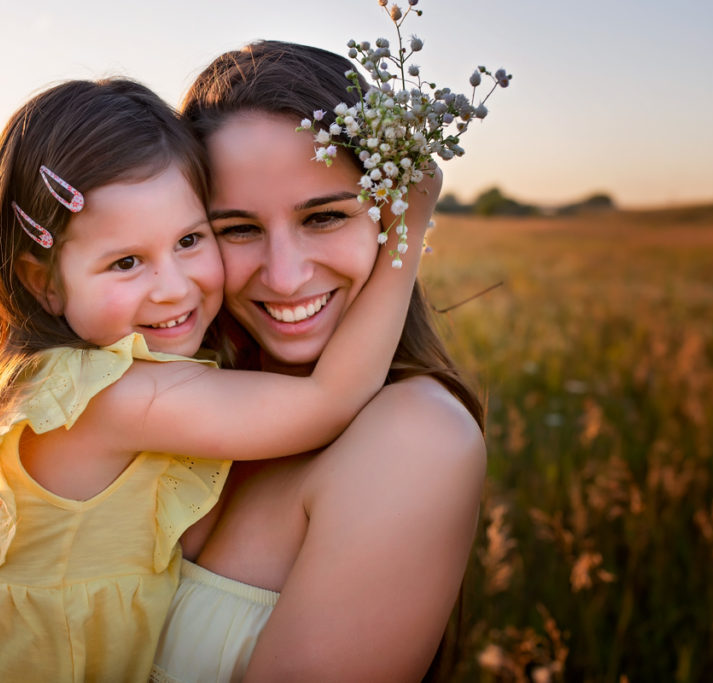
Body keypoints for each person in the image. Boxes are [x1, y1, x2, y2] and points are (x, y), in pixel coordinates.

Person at [0, 76, 435, 683]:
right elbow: (329, 399)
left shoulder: (50, 376)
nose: (173, 286)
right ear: (43, 281)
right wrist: (408, 230)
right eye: (126, 262)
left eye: (190, 240)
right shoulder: (109, 396)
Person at [150, 40, 487, 682]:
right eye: (237, 229)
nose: (285, 276)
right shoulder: (172, 393)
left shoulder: (417, 438)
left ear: (393, 215)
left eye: (326, 216)